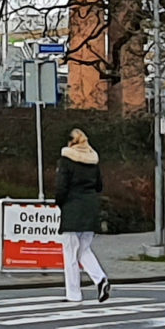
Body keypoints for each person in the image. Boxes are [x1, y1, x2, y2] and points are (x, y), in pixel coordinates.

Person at [54, 128, 112, 304]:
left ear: (71, 142)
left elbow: (61, 187)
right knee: (83, 249)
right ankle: (100, 279)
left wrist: (60, 202)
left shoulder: (66, 161)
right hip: (90, 208)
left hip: (72, 208)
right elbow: (99, 186)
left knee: (70, 253)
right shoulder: (93, 162)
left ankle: (73, 294)